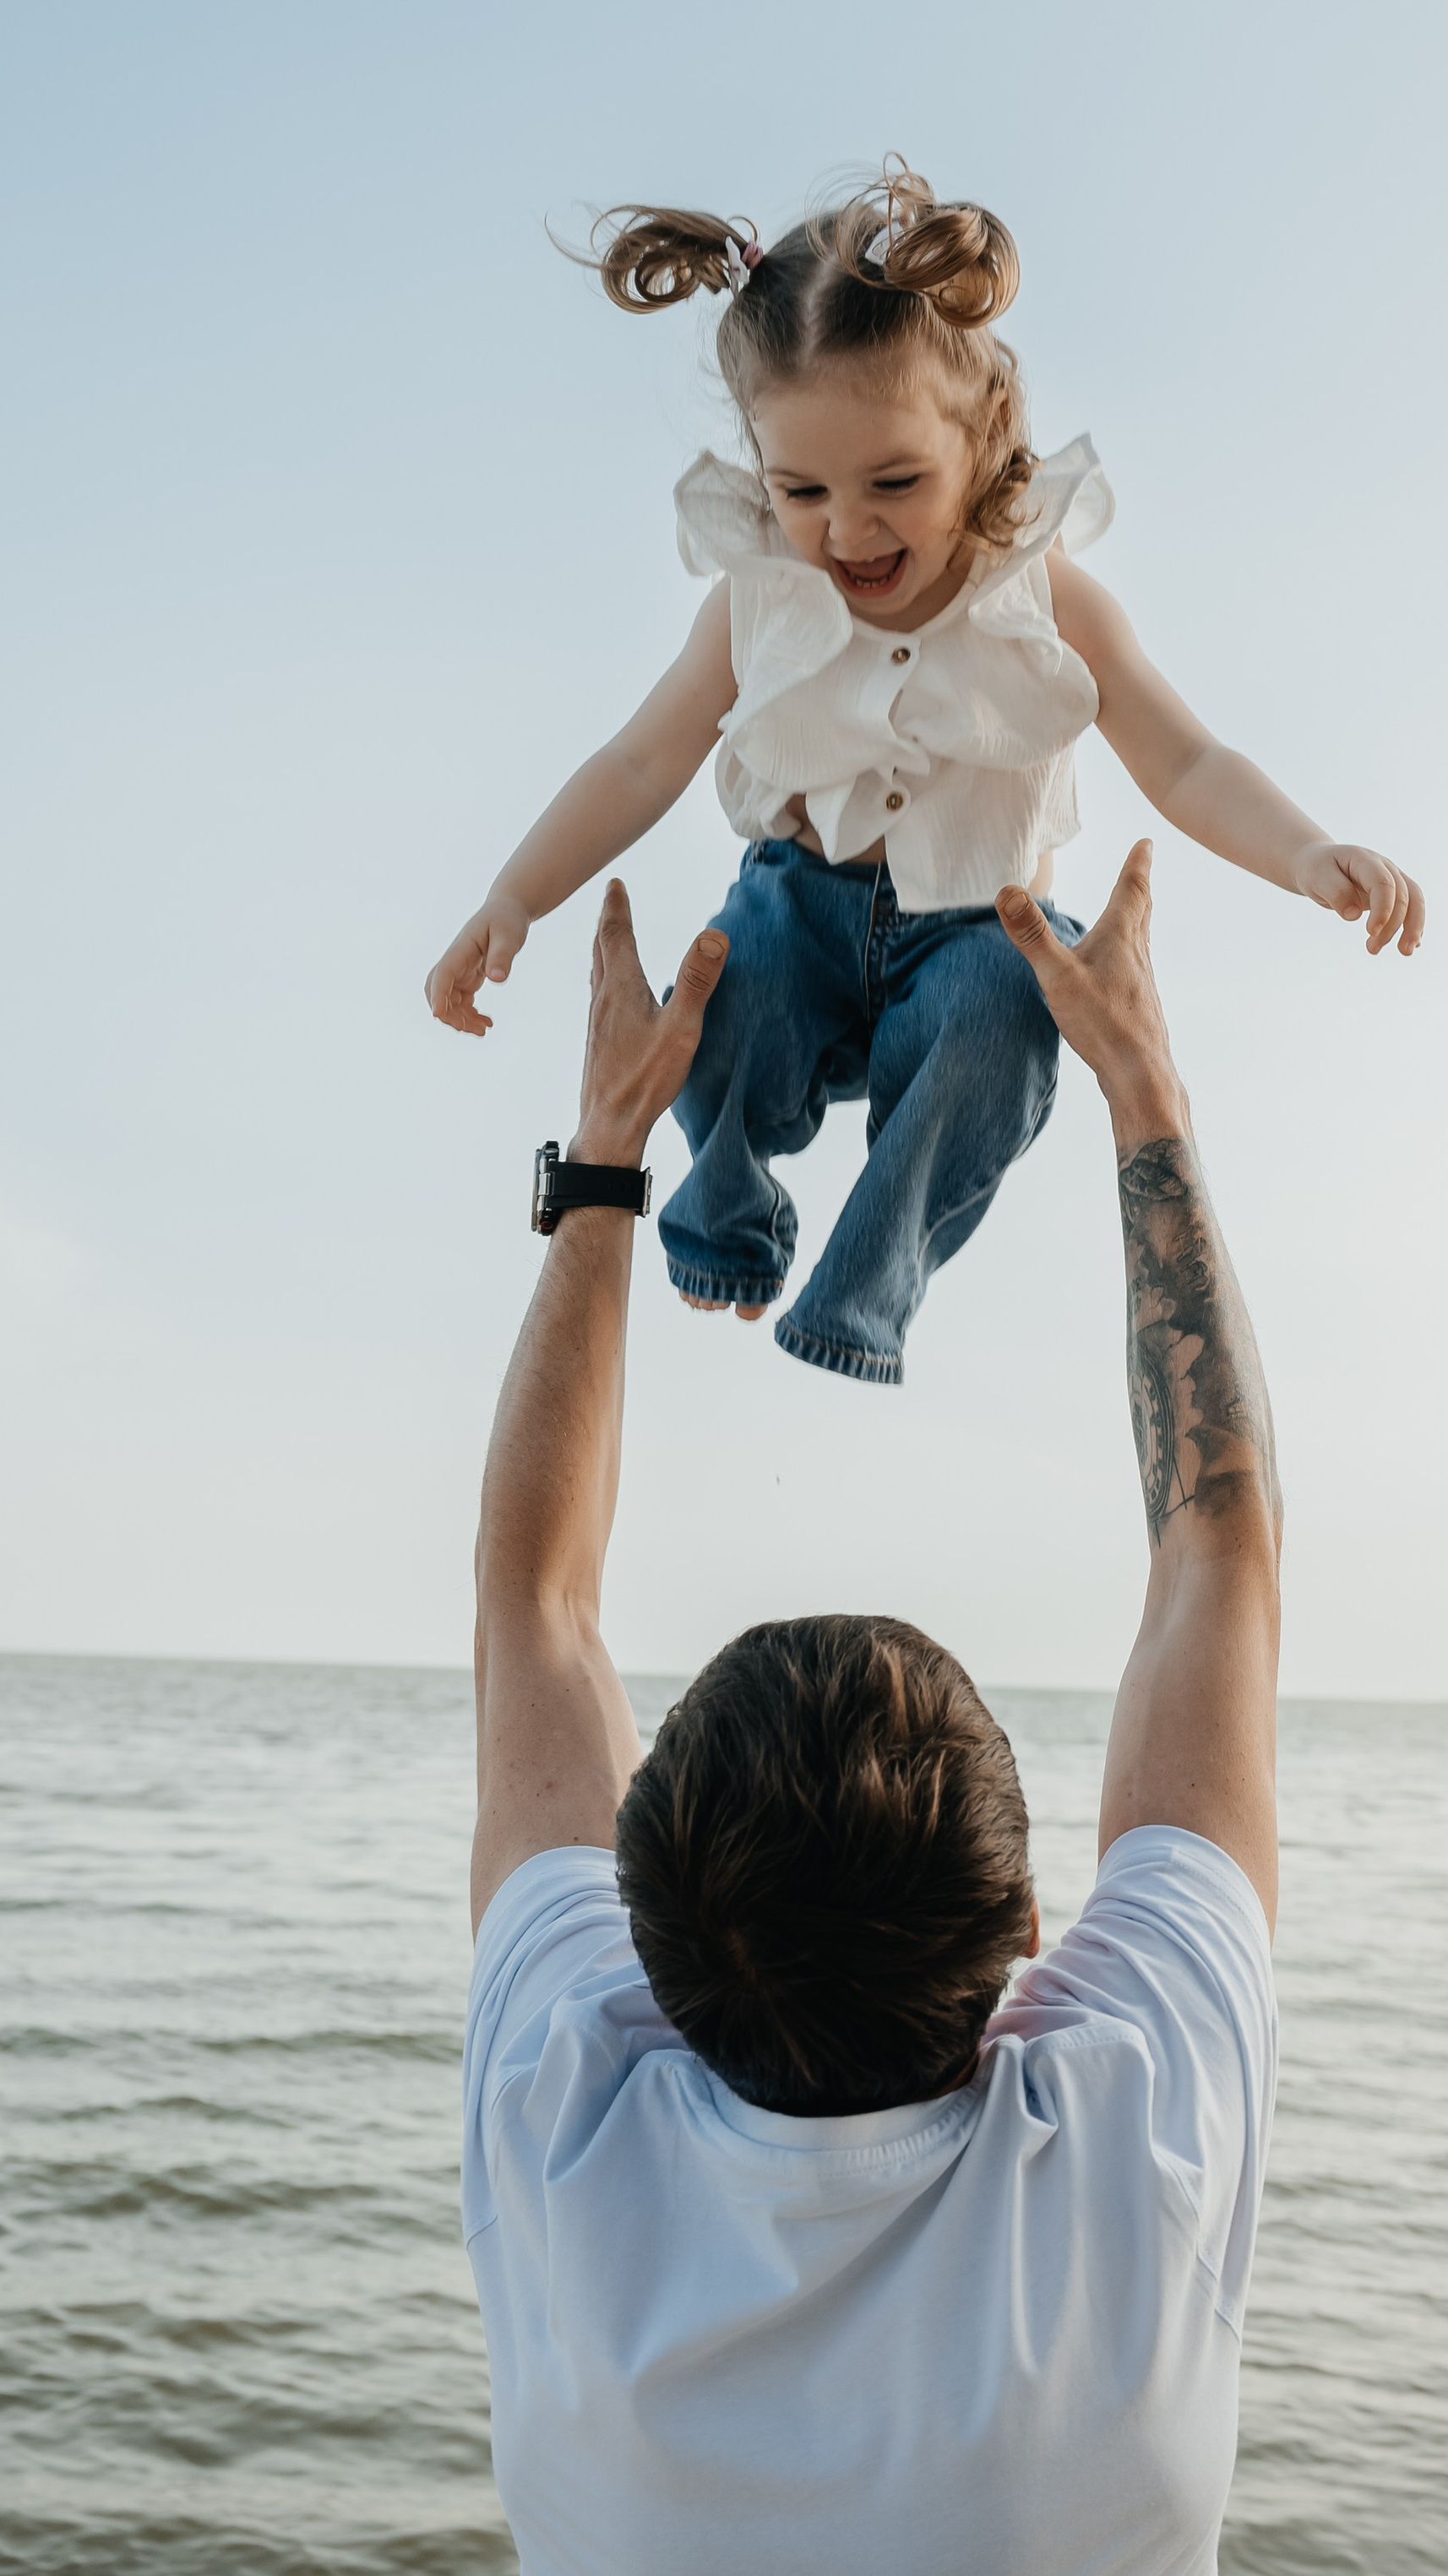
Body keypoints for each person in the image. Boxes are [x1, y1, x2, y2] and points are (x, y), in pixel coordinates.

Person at [463, 842, 1284, 2576]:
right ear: (1031, 1933)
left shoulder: (571, 2158)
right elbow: (1216, 1546)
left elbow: (535, 1605)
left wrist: (608, 1156)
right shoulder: (1135, 2160)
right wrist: (1134, 1081)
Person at [427, 156, 1423, 1385]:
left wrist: (1305, 853)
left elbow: (1187, 753)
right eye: (802, 490)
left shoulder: (1045, 601)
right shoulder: (761, 602)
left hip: (975, 932)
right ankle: (727, 1218)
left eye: (894, 483)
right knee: (724, 999)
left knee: (1002, 1027)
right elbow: (639, 760)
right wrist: (512, 898)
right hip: (806, 899)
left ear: (982, 440)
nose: (847, 531)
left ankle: (863, 1290)